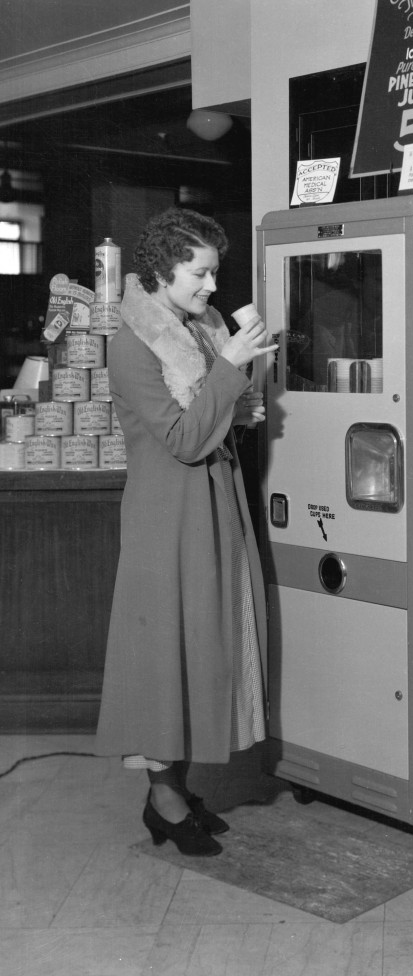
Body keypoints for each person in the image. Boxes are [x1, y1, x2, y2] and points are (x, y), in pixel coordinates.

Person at [95, 207, 276, 856]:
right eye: (199, 273)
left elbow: (219, 417)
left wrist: (242, 371)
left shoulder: (192, 326)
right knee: (164, 656)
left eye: (213, 273)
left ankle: (175, 788)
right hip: (166, 516)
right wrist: (230, 365)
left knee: (201, 648)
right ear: (160, 270)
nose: (210, 287)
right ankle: (163, 798)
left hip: (209, 503)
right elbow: (184, 438)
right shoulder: (132, 343)